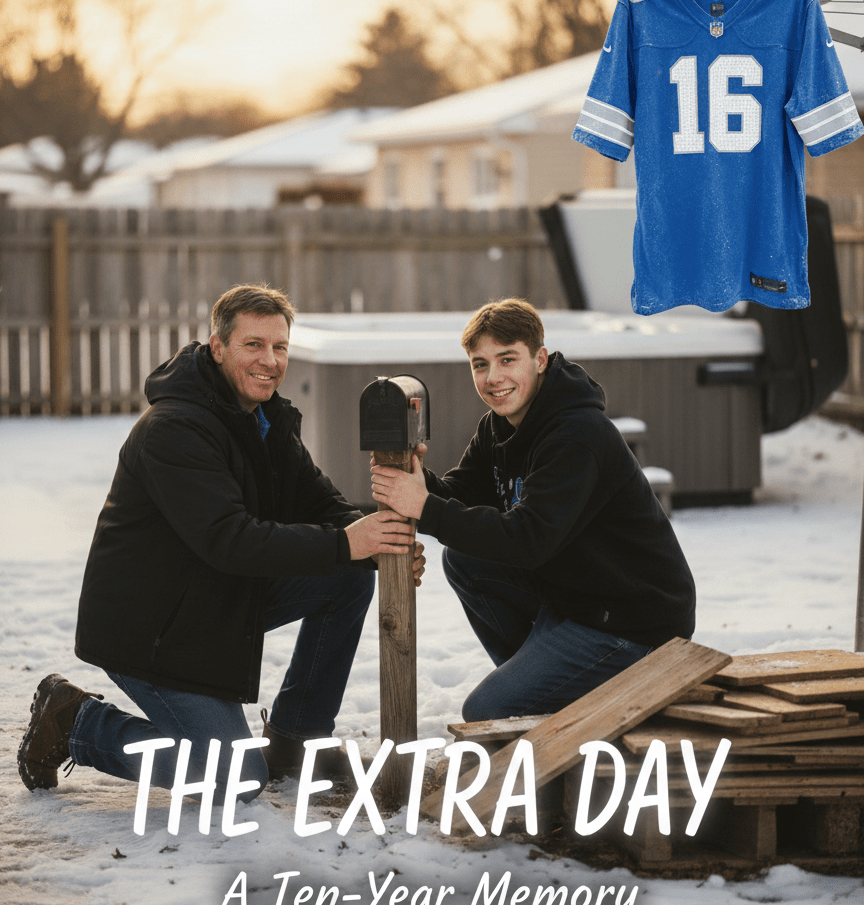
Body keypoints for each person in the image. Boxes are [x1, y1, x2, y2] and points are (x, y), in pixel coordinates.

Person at [18, 283, 423, 801]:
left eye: (280, 347)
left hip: (213, 603)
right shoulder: (176, 428)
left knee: (344, 576)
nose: (270, 360)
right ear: (217, 347)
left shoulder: (264, 419)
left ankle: (296, 740)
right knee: (238, 779)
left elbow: (322, 505)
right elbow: (229, 541)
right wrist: (349, 542)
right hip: (152, 628)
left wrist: (381, 544)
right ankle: (76, 721)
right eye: (253, 345)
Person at [370, 298, 695, 722]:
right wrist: (414, 476)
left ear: (539, 359)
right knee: (465, 558)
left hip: (634, 624)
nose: (493, 378)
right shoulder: (500, 424)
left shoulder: (578, 434)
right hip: (578, 600)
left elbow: (529, 539)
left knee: (487, 710)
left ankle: (548, 693)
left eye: (508, 359)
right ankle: (546, 682)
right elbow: (461, 494)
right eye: (480, 364)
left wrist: (424, 505)